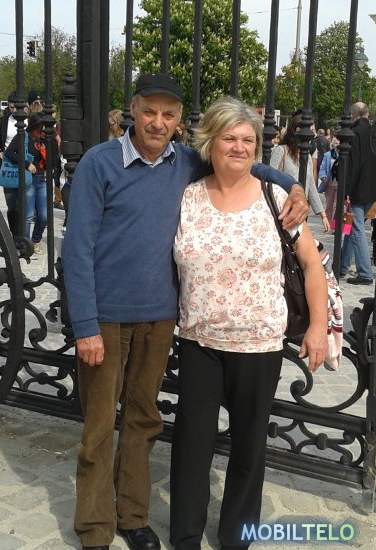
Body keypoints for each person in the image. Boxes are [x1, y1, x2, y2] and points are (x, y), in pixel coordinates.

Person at [62, 72, 309, 550]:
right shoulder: (99, 163)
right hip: (106, 320)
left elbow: (244, 163)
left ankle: (133, 516)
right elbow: (77, 247)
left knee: (143, 420)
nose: (158, 122)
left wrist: (294, 185)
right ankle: (94, 527)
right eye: (149, 111)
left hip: (160, 318)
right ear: (133, 110)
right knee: (98, 428)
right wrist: (85, 325)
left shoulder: (185, 162)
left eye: (168, 114)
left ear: (179, 121)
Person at [170, 96, 328, 550]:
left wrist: (317, 327)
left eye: (247, 140)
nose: (239, 147)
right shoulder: (188, 197)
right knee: (191, 445)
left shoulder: (276, 199)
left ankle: (237, 537)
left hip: (258, 345)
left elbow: (311, 265)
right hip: (199, 341)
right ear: (210, 142)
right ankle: (185, 536)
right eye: (229, 138)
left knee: (248, 448)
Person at [270, 114, 330, 233]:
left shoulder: (306, 156)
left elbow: (311, 186)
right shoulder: (281, 151)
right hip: (284, 209)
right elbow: (269, 177)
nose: (312, 135)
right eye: (310, 130)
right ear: (297, 130)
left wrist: (323, 215)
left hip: (301, 210)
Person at [340, 102, 376, 284]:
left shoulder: (354, 133)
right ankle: (342, 265)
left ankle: (365, 273)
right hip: (372, 188)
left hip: (358, 188)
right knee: (352, 225)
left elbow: (353, 165)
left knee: (356, 228)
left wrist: (346, 190)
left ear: (353, 115)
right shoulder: (373, 131)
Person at [5, 113, 48, 255]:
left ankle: (35, 240)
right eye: (41, 126)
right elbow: (9, 153)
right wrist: (26, 164)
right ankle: (25, 245)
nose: (43, 129)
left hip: (42, 179)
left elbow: (51, 158)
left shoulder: (44, 138)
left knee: (44, 216)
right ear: (35, 126)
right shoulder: (23, 136)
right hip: (28, 179)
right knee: (28, 215)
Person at [0, 91, 19, 236]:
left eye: (16, 107)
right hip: (8, 164)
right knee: (11, 203)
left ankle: (24, 235)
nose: (14, 110)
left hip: (26, 164)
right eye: (11, 107)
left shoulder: (29, 120)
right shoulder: (3, 121)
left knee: (25, 204)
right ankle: (15, 235)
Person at [318, 137, 340, 222]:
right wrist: (323, 176)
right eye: (336, 143)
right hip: (329, 184)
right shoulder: (327, 155)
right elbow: (322, 168)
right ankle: (328, 224)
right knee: (329, 206)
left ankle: (336, 225)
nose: (338, 145)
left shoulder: (345, 154)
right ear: (332, 145)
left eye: (339, 143)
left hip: (340, 184)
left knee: (337, 206)